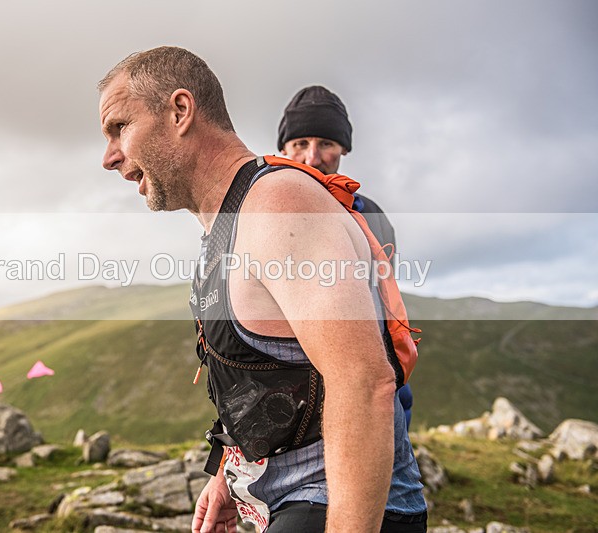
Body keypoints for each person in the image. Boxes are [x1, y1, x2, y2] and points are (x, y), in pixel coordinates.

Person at [98, 46, 427, 533]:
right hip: (286, 500)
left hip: (336, 501)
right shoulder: (226, 221)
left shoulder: (279, 206)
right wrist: (230, 473)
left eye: (119, 127)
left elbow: (364, 381)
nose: (109, 157)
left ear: (180, 111)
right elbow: (257, 369)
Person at [277, 85, 414, 431]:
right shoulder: (264, 217)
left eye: (325, 144)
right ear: (283, 148)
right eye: (300, 144)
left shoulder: (375, 219)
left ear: (343, 149)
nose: (311, 157)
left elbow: (383, 310)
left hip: (376, 399)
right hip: (293, 408)